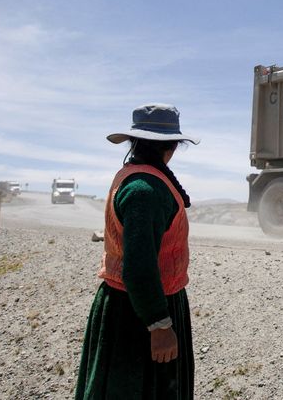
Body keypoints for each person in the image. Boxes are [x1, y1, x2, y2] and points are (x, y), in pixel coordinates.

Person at [75, 103, 199, 399]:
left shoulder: (133, 177)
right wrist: (159, 325)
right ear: (170, 147)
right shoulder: (146, 190)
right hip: (137, 312)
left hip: (128, 304)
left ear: (135, 143)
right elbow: (139, 266)